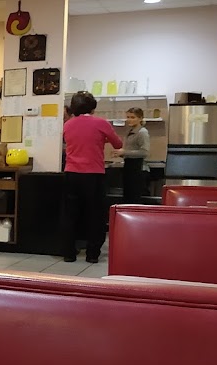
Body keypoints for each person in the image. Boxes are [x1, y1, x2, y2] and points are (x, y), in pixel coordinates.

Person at [61, 91, 123, 264]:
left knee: (71, 214)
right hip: (94, 174)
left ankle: (69, 253)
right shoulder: (101, 123)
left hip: (72, 173)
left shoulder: (68, 125)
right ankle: (92, 254)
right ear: (93, 107)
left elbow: (71, 142)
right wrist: (101, 140)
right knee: (95, 214)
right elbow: (118, 144)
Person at [115, 107, 150, 203]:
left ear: (140, 118)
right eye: (128, 117)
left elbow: (144, 152)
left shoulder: (142, 132)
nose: (129, 120)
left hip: (138, 168)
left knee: (134, 197)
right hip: (129, 166)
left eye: (133, 117)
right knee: (128, 196)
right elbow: (131, 150)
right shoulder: (130, 131)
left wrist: (125, 152)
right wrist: (121, 154)